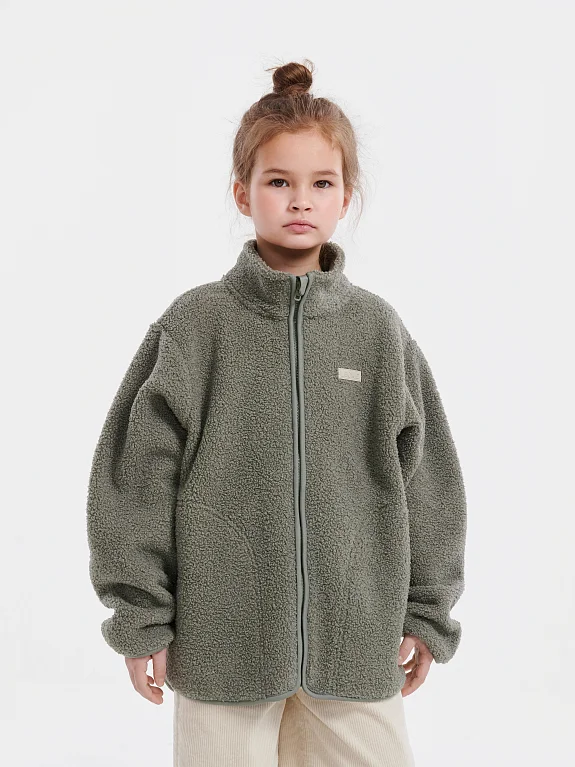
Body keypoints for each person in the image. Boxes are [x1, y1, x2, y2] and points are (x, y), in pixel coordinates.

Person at [86, 59, 467, 767]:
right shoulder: (196, 327)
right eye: (278, 181)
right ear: (243, 192)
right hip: (222, 645)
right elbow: (134, 480)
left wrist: (427, 610)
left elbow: (429, 479)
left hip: (356, 643)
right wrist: (141, 616)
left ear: (346, 196)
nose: (300, 200)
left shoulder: (377, 332)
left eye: (321, 183)